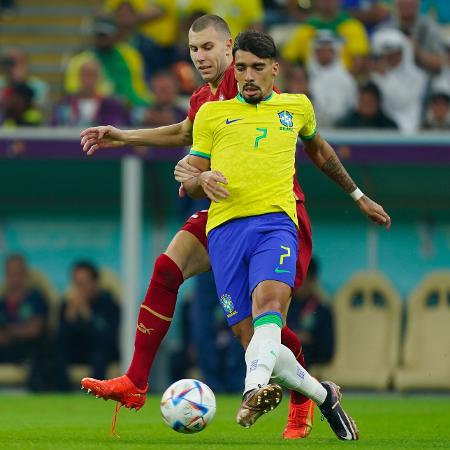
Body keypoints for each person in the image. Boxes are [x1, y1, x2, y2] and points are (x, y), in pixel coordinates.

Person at [80, 14, 316, 440]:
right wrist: (123, 136)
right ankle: (135, 381)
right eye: (193, 49)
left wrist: (195, 173)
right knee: (169, 270)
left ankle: (304, 397)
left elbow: (274, 131)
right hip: (223, 212)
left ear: (230, 48)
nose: (200, 56)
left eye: (208, 47)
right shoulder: (202, 99)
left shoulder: (248, 82)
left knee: (258, 329)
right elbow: (186, 132)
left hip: (271, 213)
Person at [182, 29, 387, 437]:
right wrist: (200, 179)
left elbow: (321, 152)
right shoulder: (211, 114)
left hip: (276, 224)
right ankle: (325, 397)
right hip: (224, 233)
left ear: (275, 69)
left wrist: (358, 195)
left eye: (258, 68)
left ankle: (252, 390)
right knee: (254, 339)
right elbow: (188, 177)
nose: (248, 76)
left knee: (269, 304)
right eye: (241, 68)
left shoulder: (297, 107)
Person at [53, 261, 120, 391]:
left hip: (99, 350)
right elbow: (59, 339)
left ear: (95, 283)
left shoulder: (108, 304)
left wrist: (87, 315)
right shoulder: (67, 305)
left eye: (84, 283)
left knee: (99, 358)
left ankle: (96, 396)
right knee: (57, 356)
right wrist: (69, 319)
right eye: (77, 284)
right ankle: (63, 396)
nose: (80, 288)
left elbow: (107, 339)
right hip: (76, 350)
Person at [65, 18, 151, 107]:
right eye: (99, 35)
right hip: (97, 105)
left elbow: (139, 84)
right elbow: (72, 89)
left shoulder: (130, 55)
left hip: (131, 104)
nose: (102, 38)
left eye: (106, 35)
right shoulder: (80, 60)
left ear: (115, 35)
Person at [282, 0, 370, 76]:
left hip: (343, 81)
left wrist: (344, 82)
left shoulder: (353, 27)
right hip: (311, 84)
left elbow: (360, 61)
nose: (327, 1)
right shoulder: (306, 28)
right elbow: (286, 60)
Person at [0, 254, 49, 391]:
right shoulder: (2, 301)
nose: (14, 276)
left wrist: (8, 332)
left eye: (18, 272)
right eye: (10, 272)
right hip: (6, 350)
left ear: (25, 274)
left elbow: (34, 330)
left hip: (30, 349)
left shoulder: (35, 297)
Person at [370, 27, 427, 133]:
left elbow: (402, 101)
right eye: (387, 55)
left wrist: (386, 77)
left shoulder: (418, 77)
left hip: (409, 129)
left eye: (395, 54)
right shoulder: (375, 76)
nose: (391, 58)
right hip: (380, 129)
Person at [52, 59, 129, 127]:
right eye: (85, 74)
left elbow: (117, 127)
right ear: (79, 77)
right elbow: (54, 128)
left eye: (92, 75)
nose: (88, 79)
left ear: (99, 78)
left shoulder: (110, 105)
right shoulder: (65, 104)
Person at [287, 258, 334, 366]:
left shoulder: (322, 311)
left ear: (312, 280)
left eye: (300, 279)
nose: (295, 284)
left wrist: (309, 340)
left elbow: (327, 354)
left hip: (307, 368)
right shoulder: (284, 306)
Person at [307, 30, 358, 127]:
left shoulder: (346, 78)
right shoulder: (306, 76)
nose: (323, 54)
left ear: (334, 52)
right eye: (319, 51)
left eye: (326, 51)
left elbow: (352, 106)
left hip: (340, 128)